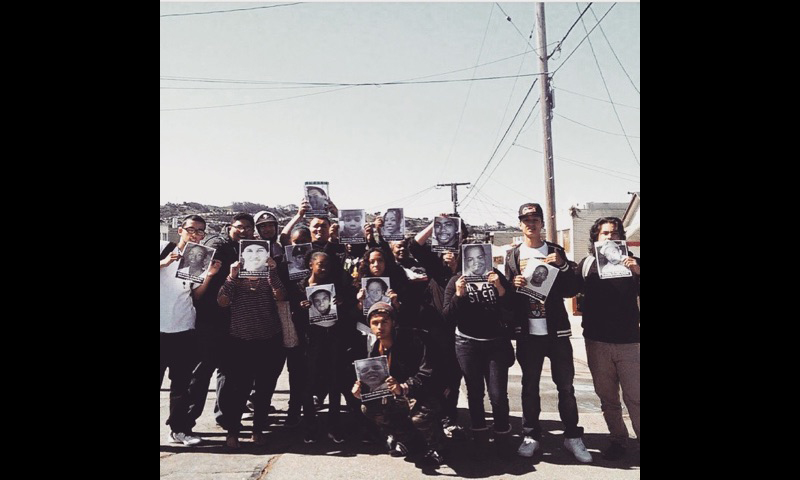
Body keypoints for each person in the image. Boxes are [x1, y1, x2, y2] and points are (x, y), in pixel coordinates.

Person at [504, 202, 592, 463]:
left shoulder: (555, 251)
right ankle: (532, 435)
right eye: (526, 219)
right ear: (520, 224)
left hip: (557, 332)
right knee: (529, 386)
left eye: (535, 219)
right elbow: (507, 299)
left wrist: (564, 266)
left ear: (542, 223)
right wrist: (512, 285)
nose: (531, 223)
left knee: (565, 387)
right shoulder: (513, 255)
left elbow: (571, 290)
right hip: (528, 332)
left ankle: (572, 437)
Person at [185, 213, 255, 434]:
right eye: (240, 227)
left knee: (228, 369)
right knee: (202, 372)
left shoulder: (245, 248)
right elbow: (193, 274)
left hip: (230, 318)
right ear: (229, 227)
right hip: (209, 318)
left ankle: (225, 418)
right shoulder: (216, 243)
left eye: (248, 228)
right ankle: (184, 424)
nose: (243, 231)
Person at [353, 302, 445, 467]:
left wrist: (404, 386)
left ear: (394, 323)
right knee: (369, 407)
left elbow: (427, 374)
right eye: (375, 323)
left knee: (419, 417)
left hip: (426, 393)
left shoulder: (414, 340)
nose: (379, 327)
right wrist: (362, 390)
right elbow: (375, 382)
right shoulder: (375, 348)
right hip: (400, 396)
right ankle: (406, 439)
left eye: (384, 322)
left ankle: (437, 447)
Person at [577, 217, 640, 460]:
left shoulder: (633, 262)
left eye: (614, 233)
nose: (610, 237)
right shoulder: (588, 264)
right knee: (608, 398)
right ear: (596, 237)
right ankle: (618, 440)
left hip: (629, 342)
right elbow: (570, 289)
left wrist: (637, 271)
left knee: (635, 397)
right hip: (597, 341)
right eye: (605, 233)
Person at [443, 256, 515, 458]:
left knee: (498, 394)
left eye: (481, 257)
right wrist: (459, 294)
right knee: (475, 392)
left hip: (496, 343)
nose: (476, 263)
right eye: (471, 258)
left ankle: (502, 434)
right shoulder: (457, 280)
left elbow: (512, 307)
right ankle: (479, 434)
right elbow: (447, 316)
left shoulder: (496, 276)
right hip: (467, 343)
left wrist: (499, 288)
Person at [160, 215, 221, 446]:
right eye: (191, 230)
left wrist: (209, 277)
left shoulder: (198, 258)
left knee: (182, 386)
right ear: (180, 229)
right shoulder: (162, 247)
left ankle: (179, 430)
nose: (195, 235)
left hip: (184, 329)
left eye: (200, 231)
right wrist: (163, 263)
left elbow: (196, 295)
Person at [216, 254, 287, 448]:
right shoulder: (236, 279)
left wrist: (272, 271)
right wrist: (231, 276)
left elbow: (280, 295)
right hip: (240, 342)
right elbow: (222, 301)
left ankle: (257, 431)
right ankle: (233, 433)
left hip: (268, 341)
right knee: (238, 390)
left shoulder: (268, 277)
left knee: (264, 390)